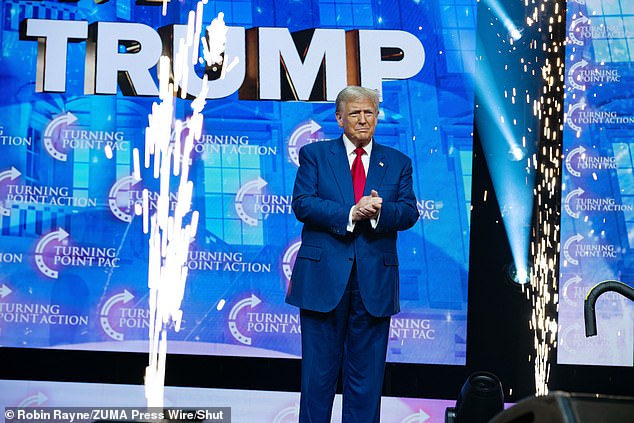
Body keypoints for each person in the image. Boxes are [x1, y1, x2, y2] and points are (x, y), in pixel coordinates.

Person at [286, 86, 419, 422]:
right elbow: (303, 203)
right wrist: (351, 213)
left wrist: (377, 212)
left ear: (377, 117)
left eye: (369, 113)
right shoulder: (315, 155)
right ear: (339, 118)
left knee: (366, 381)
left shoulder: (398, 162)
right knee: (317, 378)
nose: (363, 119)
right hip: (322, 280)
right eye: (356, 113)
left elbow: (408, 211)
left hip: (374, 282)